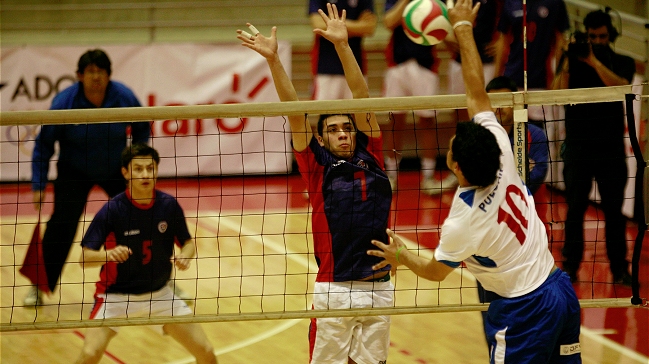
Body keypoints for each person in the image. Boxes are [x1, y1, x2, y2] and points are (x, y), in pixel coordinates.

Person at [368, 0, 582, 362]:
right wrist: (463, 27)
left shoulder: (463, 221)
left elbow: (436, 272)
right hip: (559, 289)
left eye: (450, 148)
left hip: (522, 313)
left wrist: (402, 256)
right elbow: (475, 91)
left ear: (458, 168)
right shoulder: (500, 145)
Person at [237, 4, 393, 363]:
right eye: (333, 129)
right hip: (334, 289)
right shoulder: (317, 166)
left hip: (379, 289)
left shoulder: (374, 155)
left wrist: (342, 45)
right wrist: (274, 61)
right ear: (320, 139)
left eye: (347, 127)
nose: (342, 133)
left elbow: (361, 96)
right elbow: (294, 110)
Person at [25, 49, 150, 306]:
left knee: (136, 220)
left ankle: (152, 279)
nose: (96, 76)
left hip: (116, 169)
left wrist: (134, 163)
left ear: (108, 75)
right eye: (90, 71)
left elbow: (142, 127)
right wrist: (38, 183)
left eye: (100, 71)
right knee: (61, 227)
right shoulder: (64, 103)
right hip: (74, 170)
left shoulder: (124, 97)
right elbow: (43, 144)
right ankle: (39, 287)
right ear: (80, 76)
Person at [74, 143, 217, 364]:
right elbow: (84, 258)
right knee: (89, 355)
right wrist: (108, 255)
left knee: (206, 352)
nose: (145, 174)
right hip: (114, 297)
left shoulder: (168, 206)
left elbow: (188, 243)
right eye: (138, 169)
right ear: (125, 172)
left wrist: (186, 255)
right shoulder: (113, 210)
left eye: (150, 168)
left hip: (160, 295)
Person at [552, 9, 635, 285]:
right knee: (574, 210)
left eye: (601, 36)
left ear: (610, 35)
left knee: (614, 212)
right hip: (578, 147)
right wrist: (567, 58)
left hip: (611, 148)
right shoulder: (571, 62)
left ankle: (620, 270)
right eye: (592, 37)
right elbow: (555, 95)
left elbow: (622, 88)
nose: (597, 41)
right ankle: (570, 268)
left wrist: (593, 61)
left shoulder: (622, 61)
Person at [381, 0, 451, 194]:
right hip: (397, 66)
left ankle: (428, 177)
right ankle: (391, 176)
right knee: (395, 122)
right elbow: (388, 21)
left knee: (427, 122)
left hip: (426, 66)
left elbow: (443, 25)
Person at [494, 0, 569, 127]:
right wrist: (496, 78)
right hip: (513, 79)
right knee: (513, 130)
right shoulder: (510, 3)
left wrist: (558, 76)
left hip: (542, 83)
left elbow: (561, 42)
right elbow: (503, 40)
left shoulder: (555, 3)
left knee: (542, 135)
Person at [308, 0, 376, 101]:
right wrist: (357, 24)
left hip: (356, 66)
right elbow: (318, 24)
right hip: (327, 67)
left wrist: (335, 25)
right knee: (325, 112)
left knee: (360, 112)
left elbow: (369, 27)